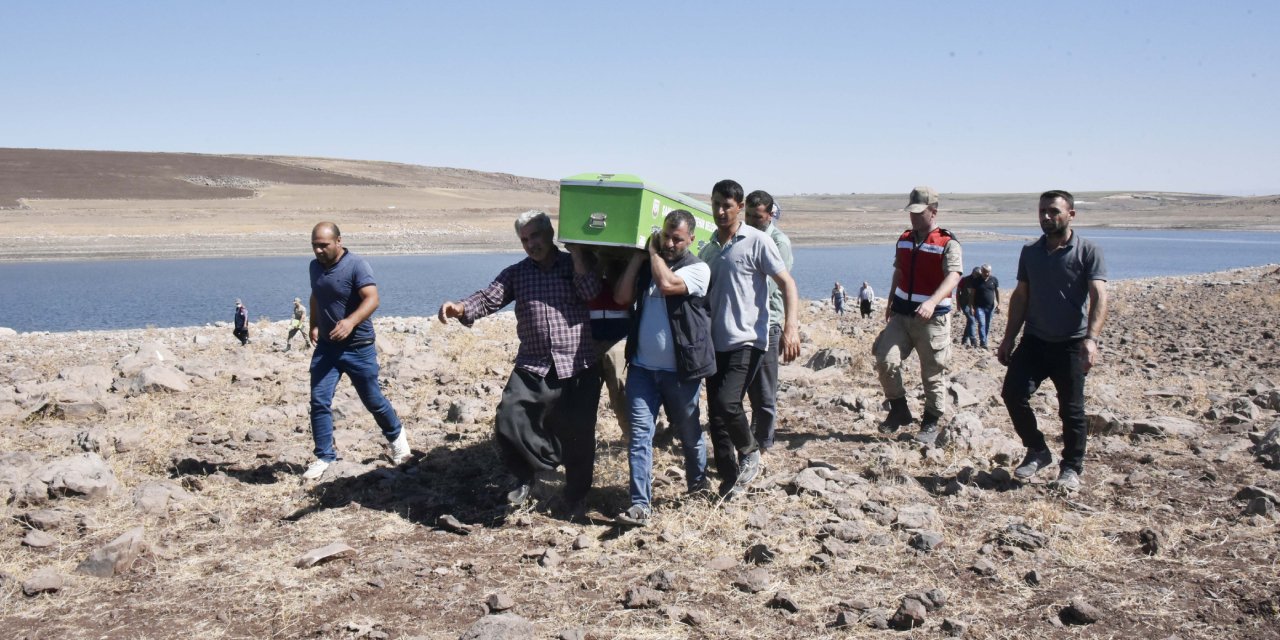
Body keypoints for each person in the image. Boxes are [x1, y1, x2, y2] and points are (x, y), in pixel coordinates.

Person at [437, 210, 601, 516]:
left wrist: (578, 254)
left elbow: (591, 292)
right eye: (524, 240)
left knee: (579, 433)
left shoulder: (573, 264)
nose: (530, 244)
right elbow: (488, 298)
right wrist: (460, 308)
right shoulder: (517, 273)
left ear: (549, 233)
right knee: (509, 418)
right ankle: (528, 475)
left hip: (577, 363)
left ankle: (576, 496)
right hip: (534, 363)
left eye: (535, 236)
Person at [997, 190, 1108, 492]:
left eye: (1054, 211)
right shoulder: (1030, 252)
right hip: (1034, 340)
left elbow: (1099, 295)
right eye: (1042, 211)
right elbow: (1021, 296)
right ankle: (1037, 449)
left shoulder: (1088, 251)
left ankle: (1071, 467)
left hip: (1071, 343)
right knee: (1012, 393)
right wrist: (1008, 338)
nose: (1046, 217)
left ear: (1071, 214)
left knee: (1071, 411)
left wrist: (1091, 339)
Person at [698, 179, 801, 500]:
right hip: (715, 343)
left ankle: (750, 450)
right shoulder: (708, 248)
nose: (720, 211)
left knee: (728, 403)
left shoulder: (758, 241)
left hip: (748, 339)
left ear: (739, 207)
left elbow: (787, 284)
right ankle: (730, 481)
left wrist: (791, 327)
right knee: (716, 416)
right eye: (716, 204)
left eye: (727, 206)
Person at [612, 210, 714, 526]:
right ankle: (640, 505)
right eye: (665, 236)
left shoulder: (698, 269)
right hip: (642, 370)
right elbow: (621, 297)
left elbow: (668, 284)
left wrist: (653, 253)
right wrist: (637, 259)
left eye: (677, 239)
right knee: (640, 436)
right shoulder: (648, 267)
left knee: (689, 432)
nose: (669, 243)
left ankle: (698, 486)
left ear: (691, 239)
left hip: (680, 371)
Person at [302, 222, 409, 480]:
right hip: (327, 347)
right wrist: (314, 324)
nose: (318, 250)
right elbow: (316, 296)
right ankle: (324, 456)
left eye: (324, 245)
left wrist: (350, 322)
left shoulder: (356, 265)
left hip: (357, 347)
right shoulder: (314, 266)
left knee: (373, 400)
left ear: (339, 241)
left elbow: (372, 298)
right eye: (315, 245)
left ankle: (398, 441)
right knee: (319, 400)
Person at [873, 186, 963, 444]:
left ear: (933, 212)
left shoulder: (947, 243)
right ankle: (899, 409)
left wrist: (932, 302)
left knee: (932, 373)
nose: (913, 217)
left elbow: (954, 276)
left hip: (932, 319)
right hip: (901, 314)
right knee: (885, 359)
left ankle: (930, 421)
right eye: (911, 212)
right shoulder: (904, 239)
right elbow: (899, 271)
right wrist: (890, 300)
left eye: (919, 212)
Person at [743, 189, 793, 454]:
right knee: (747, 386)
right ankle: (751, 437)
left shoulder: (778, 242)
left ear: (770, 215)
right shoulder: (745, 237)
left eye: (758, 217)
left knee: (764, 389)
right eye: (749, 216)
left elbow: (775, 285)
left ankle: (764, 443)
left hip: (768, 321)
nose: (752, 221)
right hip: (744, 323)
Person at [585, 254, 631, 439]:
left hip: (619, 339)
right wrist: (599, 261)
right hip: (589, 340)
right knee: (586, 393)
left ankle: (632, 439)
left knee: (622, 392)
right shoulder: (585, 263)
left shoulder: (623, 266)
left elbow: (625, 295)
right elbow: (587, 289)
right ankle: (582, 439)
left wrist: (610, 262)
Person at [971, 263, 1001, 348]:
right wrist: (972, 306)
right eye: (984, 272)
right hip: (979, 307)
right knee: (982, 323)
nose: (986, 273)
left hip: (990, 307)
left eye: (988, 272)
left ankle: (985, 340)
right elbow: (972, 294)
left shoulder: (994, 280)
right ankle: (983, 342)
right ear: (981, 271)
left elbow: (997, 292)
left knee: (987, 325)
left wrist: (998, 304)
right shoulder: (976, 281)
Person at [958, 268, 980, 347]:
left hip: (975, 304)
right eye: (977, 275)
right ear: (973, 273)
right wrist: (958, 304)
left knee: (970, 322)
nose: (978, 276)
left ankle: (964, 340)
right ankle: (973, 340)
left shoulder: (979, 280)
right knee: (972, 320)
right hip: (964, 303)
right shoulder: (964, 280)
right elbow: (958, 291)